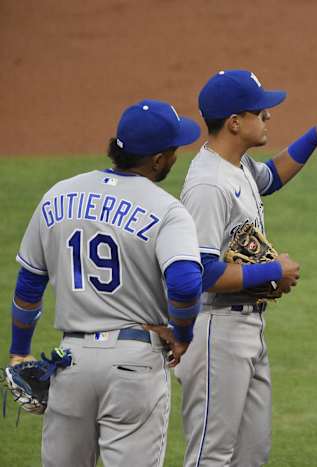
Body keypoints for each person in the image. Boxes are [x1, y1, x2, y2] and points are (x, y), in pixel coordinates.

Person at [174, 69, 317, 467]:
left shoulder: (236, 166)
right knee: (211, 455)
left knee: (251, 454)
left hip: (245, 328)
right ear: (235, 122)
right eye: (261, 111)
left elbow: (272, 177)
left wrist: (316, 133)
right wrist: (270, 272)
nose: (269, 117)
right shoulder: (208, 186)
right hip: (215, 331)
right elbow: (202, 273)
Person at [8, 99, 203, 467]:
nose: (176, 157)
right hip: (134, 366)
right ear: (158, 159)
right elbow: (185, 283)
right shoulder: (168, 210)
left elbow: (29, 285)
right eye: (174, 151)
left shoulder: (58, 195)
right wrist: (182, 333)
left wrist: (20, 349)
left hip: (70, 365)